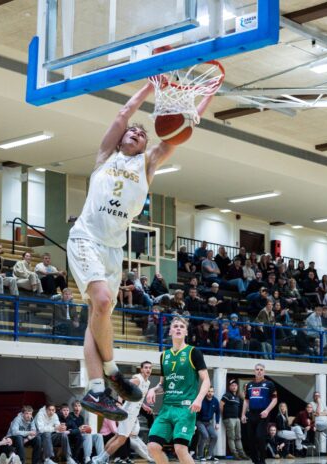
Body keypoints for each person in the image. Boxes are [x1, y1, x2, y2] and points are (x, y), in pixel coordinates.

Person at [67, 81, 212, 420]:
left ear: (146, 144)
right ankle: (112, 371)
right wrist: (150, 85)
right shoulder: (106, 157)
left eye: (142, 134)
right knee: (103, 301)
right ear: (121, 139)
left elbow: (178, 134)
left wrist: (202, 101)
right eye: (131, 132)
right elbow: (123, 114)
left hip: (113, 250)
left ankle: (97, 388)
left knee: (98, 315)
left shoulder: (147, 164)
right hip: (86, 238)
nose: (135, 133)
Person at [145, 317, 210, 464]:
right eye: (175, 326)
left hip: (185, 408)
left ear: (186, 332)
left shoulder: (193, 352)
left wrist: (198, 399)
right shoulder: (164, 355)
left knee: (180, 449)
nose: (178, 328)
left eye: (182, 326)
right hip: (167, 408)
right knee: (153, 446)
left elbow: (206, 380)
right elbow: (163, 384)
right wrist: (153, 389)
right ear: (170, 331)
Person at [93, 361, 155, 464]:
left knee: (117, 437)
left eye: (150, 368)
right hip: (128, 413)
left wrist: (144, 406)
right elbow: (122, 388)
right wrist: (119, 404)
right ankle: (100, 460)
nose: (148, 369)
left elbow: (138, 397)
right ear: (141, 369)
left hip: (132, 413)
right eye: (146, 367)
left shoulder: (147, 382)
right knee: (121, 439)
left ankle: (100, 457)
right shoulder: (137, 379)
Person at [242, 364, 278, 464]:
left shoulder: (269, 384)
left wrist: (267, 410)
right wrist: (243, 414)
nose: (259, 371)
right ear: (254, 371)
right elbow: (246, 400)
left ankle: (262, 460)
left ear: (264, 372)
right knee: (250, 438)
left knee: (259, 436)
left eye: (261, 370)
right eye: (257, 369)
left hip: (263, 414)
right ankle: (255, 460)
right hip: (251, 414)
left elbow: (275, 400)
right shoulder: (249, 385)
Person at [220, 379, 247, 460]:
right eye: (232, 385)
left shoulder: (237, 397)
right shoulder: (226, 395)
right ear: (229, 387)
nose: (234, 387)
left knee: (238, 437)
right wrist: (224, 415)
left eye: (235, 385)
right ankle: (235, 454)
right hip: (229, 419)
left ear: (237, 387)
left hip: (237, 419)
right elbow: (221, 405)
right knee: (231, 437)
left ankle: (242, 454)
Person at [195, 387, 220, 461]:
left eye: (211, 391)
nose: (210, 393)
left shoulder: (215, 401)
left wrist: (217, 423)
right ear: (206, 392)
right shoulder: (201, 400)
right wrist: (194, 424)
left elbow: (218, 412)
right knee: (205, 435)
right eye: (208, 391)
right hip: (199, 421)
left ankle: (209, 455)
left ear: (213, 392)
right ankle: (200, 455)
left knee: (214, 436)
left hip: (208, 422)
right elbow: (195, 413)